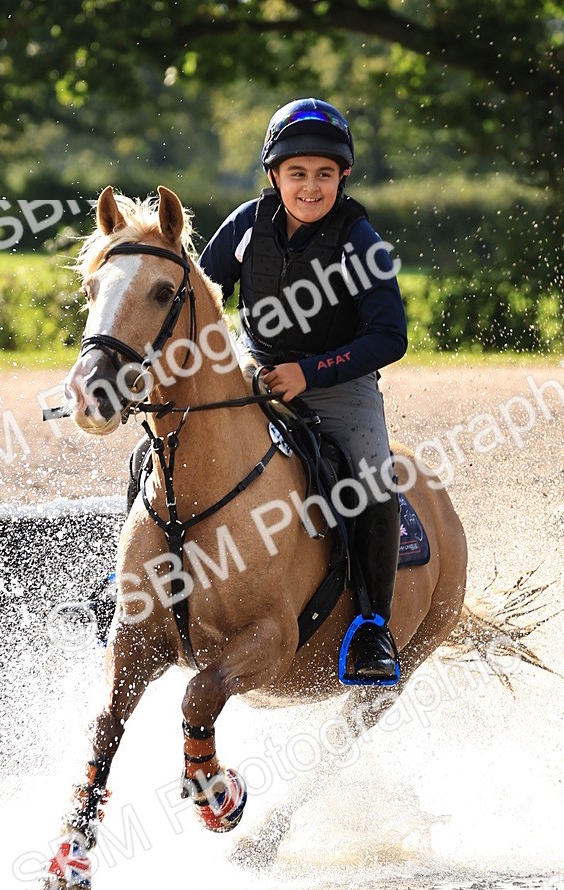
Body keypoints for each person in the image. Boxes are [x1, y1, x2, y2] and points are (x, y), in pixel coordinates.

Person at [198, 97, 407, 681]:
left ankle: (373, 628)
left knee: (371, 482)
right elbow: (200, 302)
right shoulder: (244, 226)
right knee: (160, 442)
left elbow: (390, 337)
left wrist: (309, 374)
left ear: (343, 175)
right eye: (296, 173)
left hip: (338, 385)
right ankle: (130, 581)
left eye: (323, 174)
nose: (309, 187)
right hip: (256, 372)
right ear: (274, 176)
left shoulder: (361, 241)